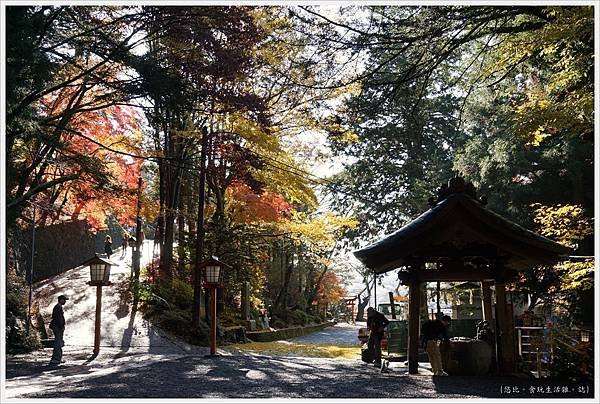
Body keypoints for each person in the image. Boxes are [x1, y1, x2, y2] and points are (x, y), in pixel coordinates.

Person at [49, 295, 68, 366]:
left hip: (57, 327)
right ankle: (56, 359)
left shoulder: (58, 307)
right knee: (58, 343)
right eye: (64, 300)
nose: (65, 301)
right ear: (60, 300)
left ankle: (57, 358)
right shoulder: (58, 307)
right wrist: (61, 327)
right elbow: (58, 318)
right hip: (57, 327)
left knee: (59, 342)